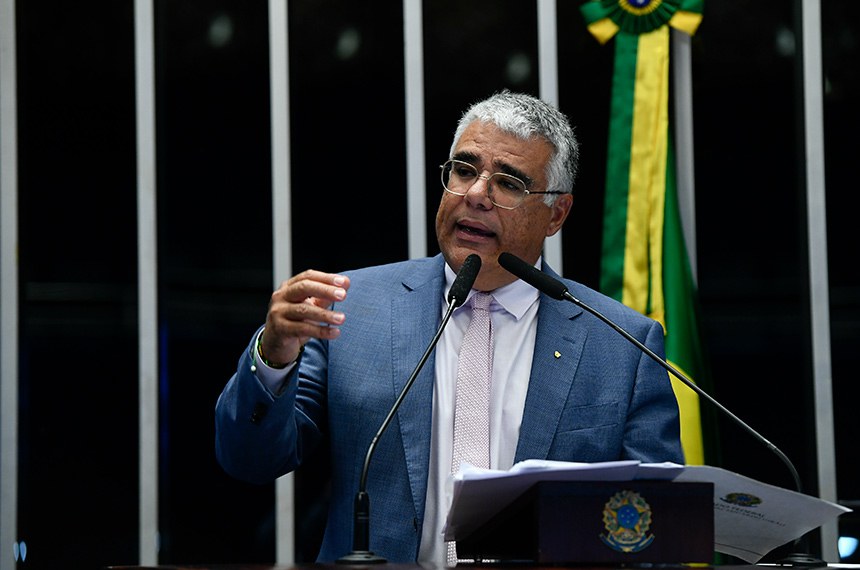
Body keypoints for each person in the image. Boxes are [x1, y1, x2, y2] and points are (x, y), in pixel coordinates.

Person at [215, 90, 683, 565]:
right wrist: (273, 357)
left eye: (508, 183)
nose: (476, 195)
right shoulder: (352, 309)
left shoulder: (621, 343)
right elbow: (250, 460)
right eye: (463, 170)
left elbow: (658, 533)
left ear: (556, 214)